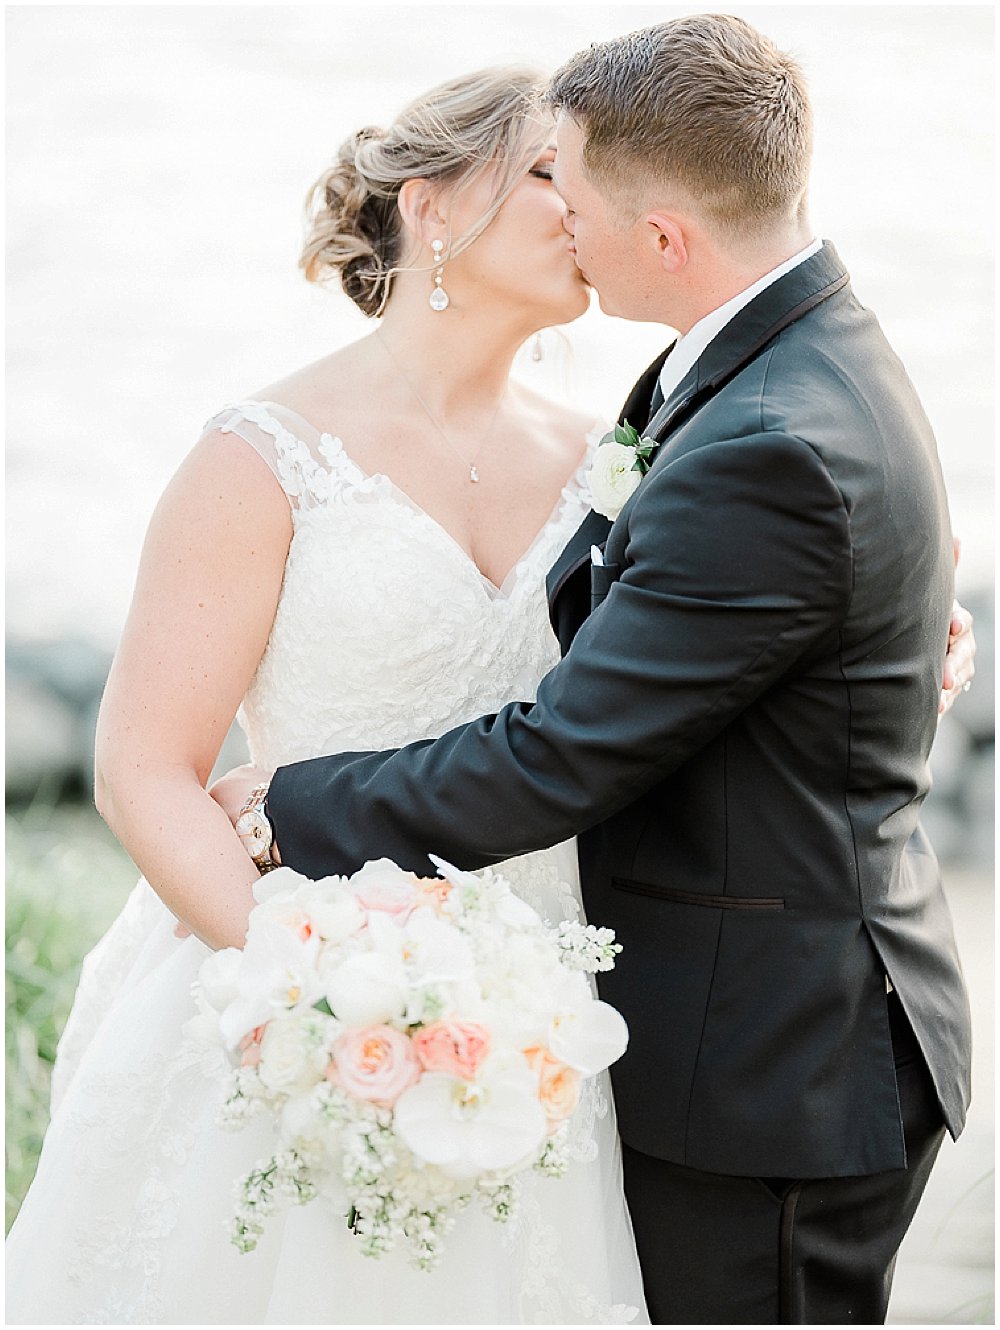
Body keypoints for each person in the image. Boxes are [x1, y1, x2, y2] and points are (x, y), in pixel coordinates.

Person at [212, 16, 977, 1325]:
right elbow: (690, 599)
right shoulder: (779, 360)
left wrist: (290, 803)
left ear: (665, 238)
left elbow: (563, 752)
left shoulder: (771, 437)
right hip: (720, 1027)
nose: (559, 207)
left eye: (568, 178)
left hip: (771, 1071)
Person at [4, 67, 650, 1324]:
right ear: (432, 204)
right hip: (290, 992)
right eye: (544, 170)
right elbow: (144, 769)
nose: (585, 202)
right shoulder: (263, 457)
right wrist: (310, 997)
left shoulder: (612, 462)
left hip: (540, 1022)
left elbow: (753, 591)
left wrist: (920, 616)